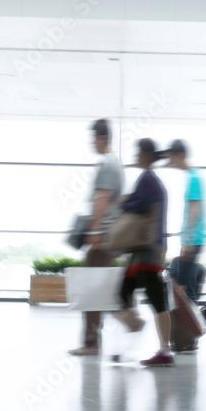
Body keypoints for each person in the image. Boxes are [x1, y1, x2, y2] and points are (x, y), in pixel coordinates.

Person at [115, 138, 176, 367]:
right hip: (143, 250)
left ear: (147, 156)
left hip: (148, 250)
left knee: (156, 300)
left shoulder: (148, 180)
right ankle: (135, 333)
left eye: (139, 154)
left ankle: (164, 351)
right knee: (123, 293)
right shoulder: (150, 180)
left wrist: (124, 203)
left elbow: (139, 205)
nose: (136, 157)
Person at [69, 119, 124, 356]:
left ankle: (91, 343)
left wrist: (94, 233)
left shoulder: (107, 165)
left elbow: (101, 200)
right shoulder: (115, 164)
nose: (91, 143)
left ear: (101, 138)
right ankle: (97, 339)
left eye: (93, 138)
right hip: (108, 237)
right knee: (99, 290)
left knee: (91, 291)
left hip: (102, 239)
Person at [164, 139, 206, 353]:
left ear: (179, 154)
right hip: (192, 240)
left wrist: (187, 242)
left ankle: (190, 337)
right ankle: (188, 336)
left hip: (193, 240)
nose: (170, 161)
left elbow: (195, 211)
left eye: (171, 156)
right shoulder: (193, 177)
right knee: (185, 288)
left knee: (186, 290)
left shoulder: (194, 178)